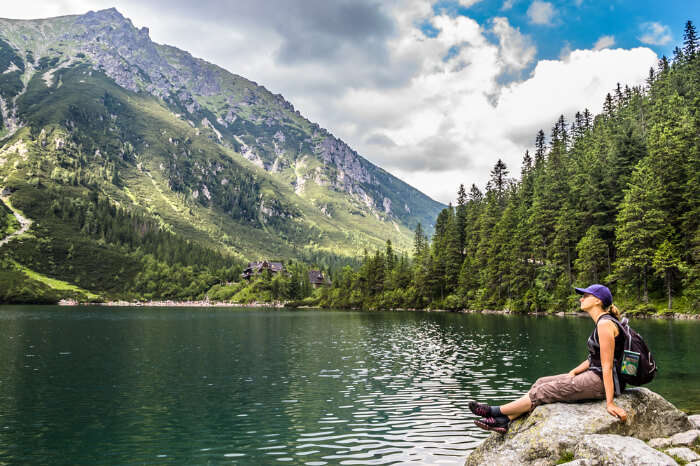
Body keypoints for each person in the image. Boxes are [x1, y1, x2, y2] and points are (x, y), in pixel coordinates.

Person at [469, 284, 628, 434]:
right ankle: (505, 420)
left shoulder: (605, 324)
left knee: (544, 391)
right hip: (596, 375)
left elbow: (607, 366)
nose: (581, 299)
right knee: (540, 382)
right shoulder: (604, 322)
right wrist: (573, 372)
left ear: (597, 301)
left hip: (601, 381)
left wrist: (610, 403)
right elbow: (596, 357)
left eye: (585, 296)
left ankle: (495, 411)